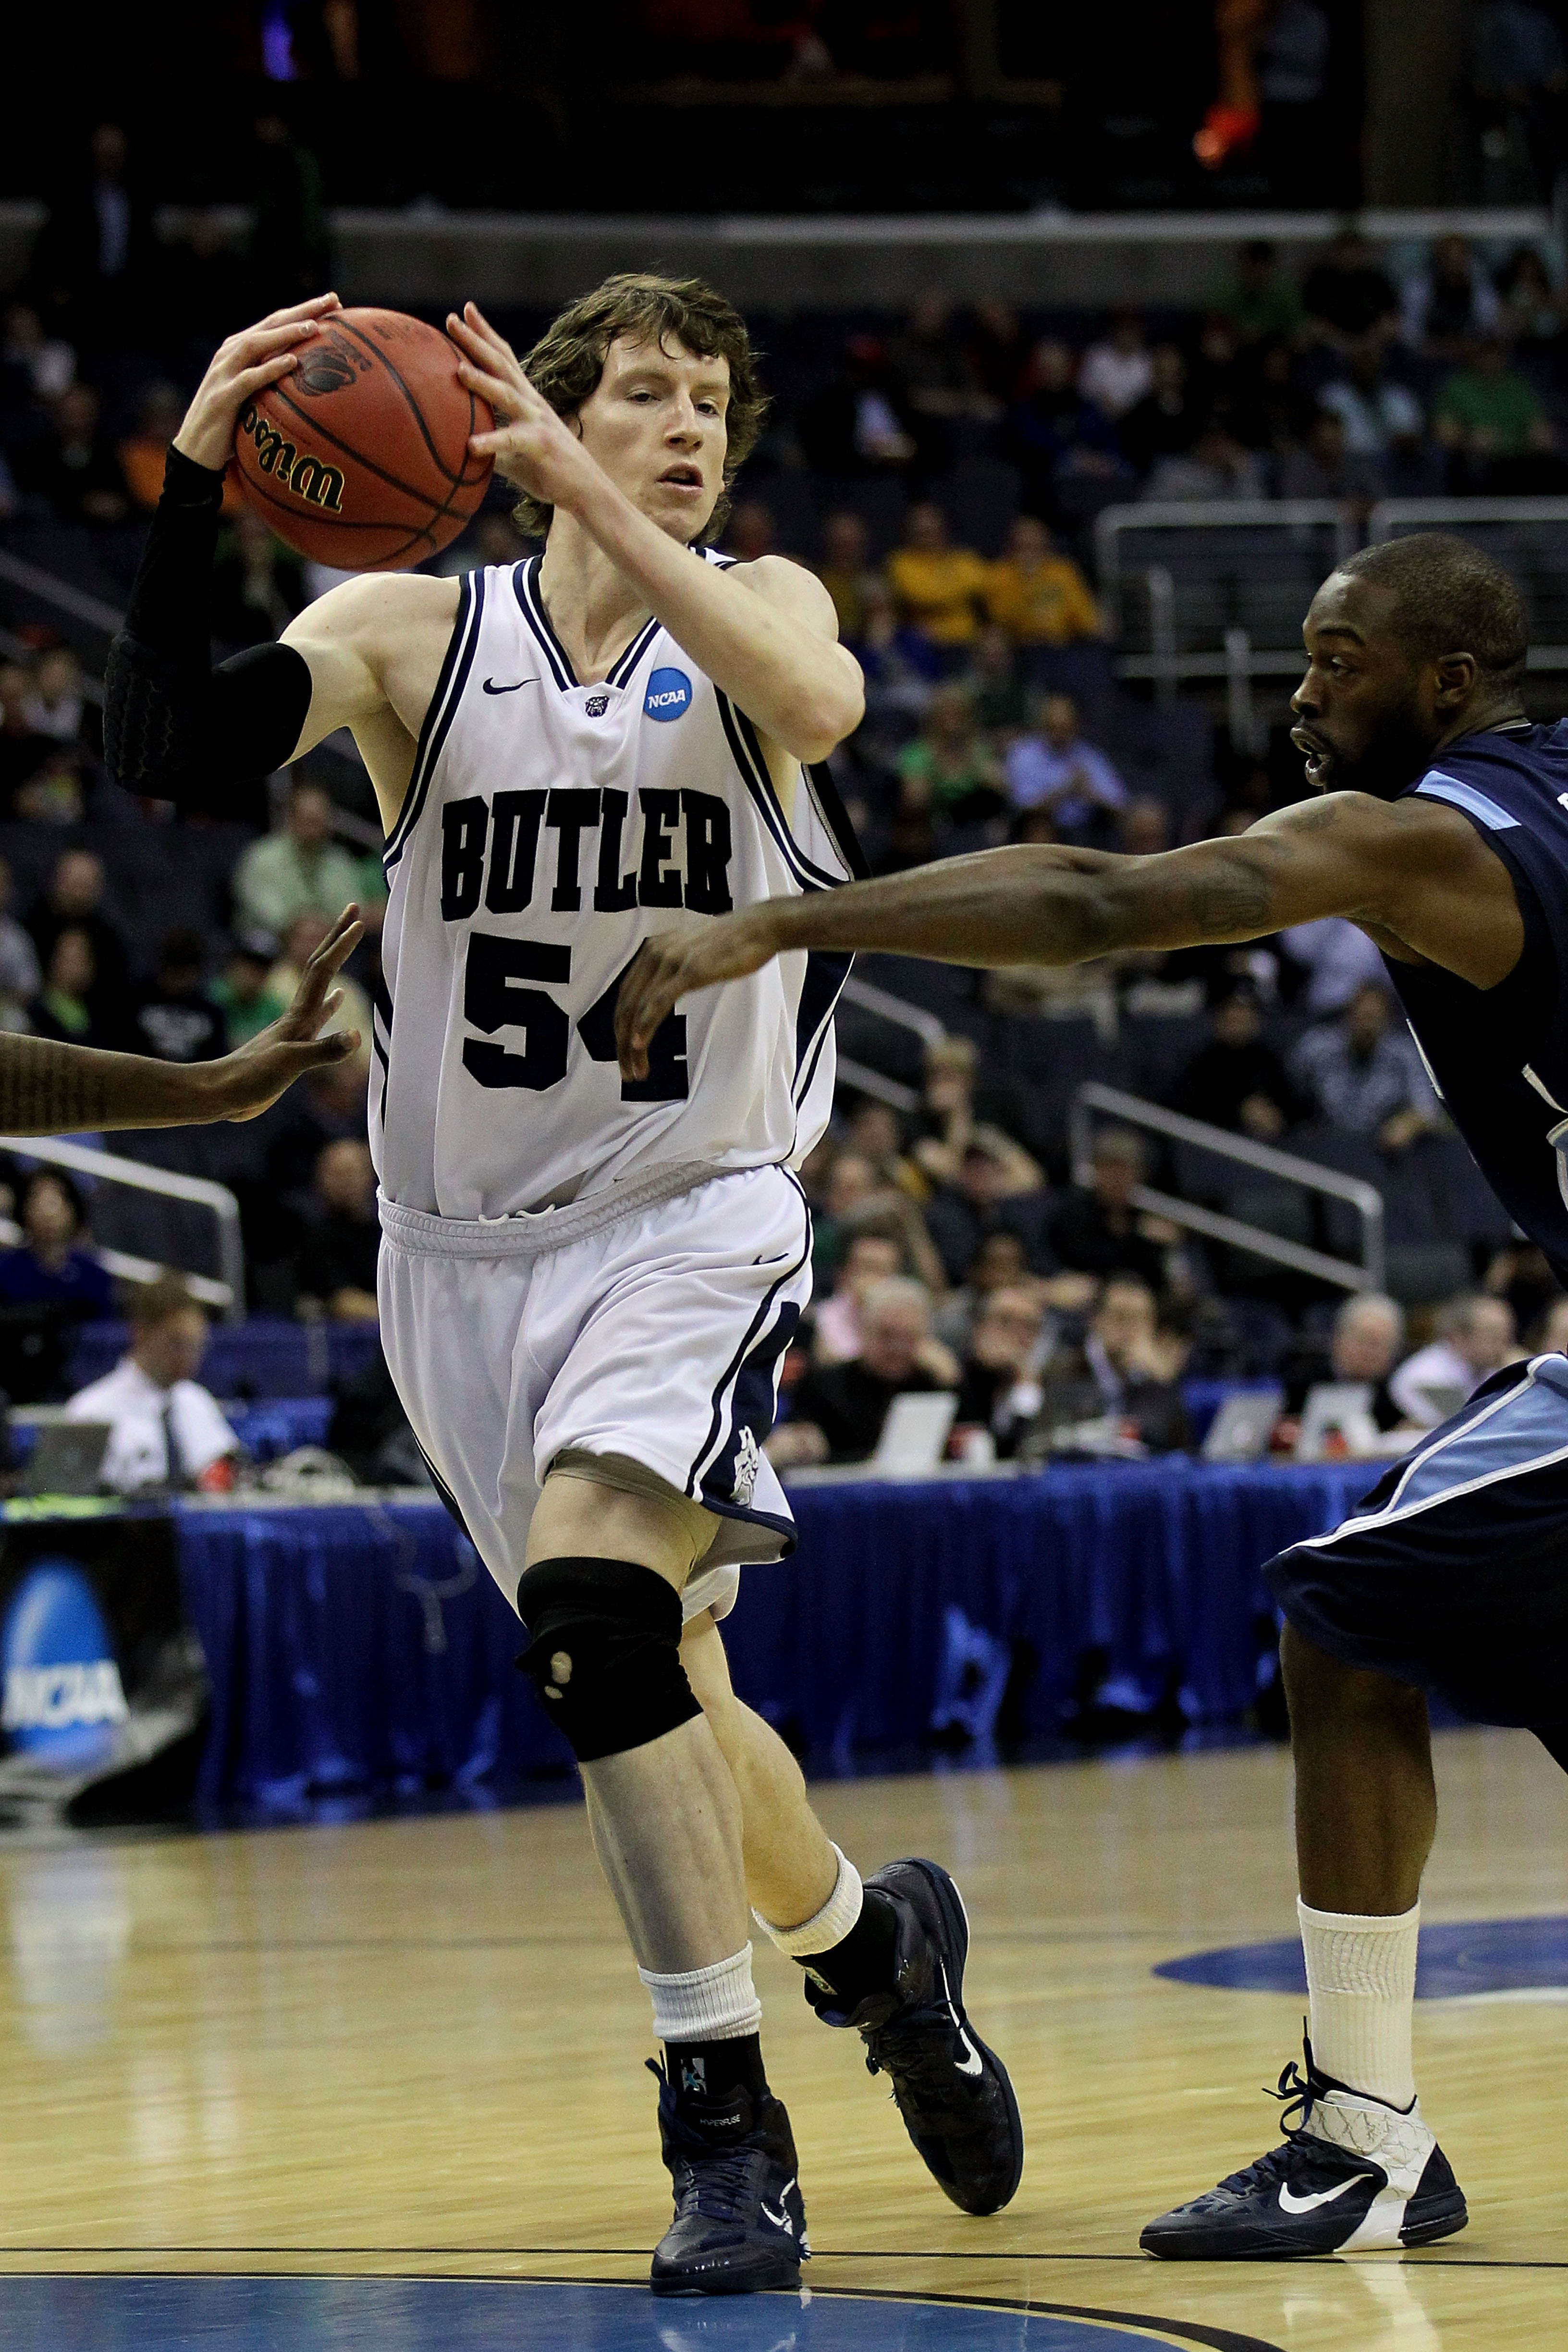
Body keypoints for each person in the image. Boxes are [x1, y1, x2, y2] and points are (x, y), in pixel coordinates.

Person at [105, 281, 1022, 2299]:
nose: (686, 426)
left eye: (711, 404)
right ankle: (879, 1946)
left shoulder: (760, 602)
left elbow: (822, 707)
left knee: (599, 1620)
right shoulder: (414, 637)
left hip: (691, 1208)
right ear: (536, 412)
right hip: (457, 1260)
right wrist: (194, 473)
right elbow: (164, 745)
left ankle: (724, 2120)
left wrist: (623, 525)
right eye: (643, 395)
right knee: (670, 1693)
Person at [618, 525, 1568, 2260]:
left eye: (1331, 660)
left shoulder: (1420, 841)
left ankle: (1360, 2145)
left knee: (1348, 1614)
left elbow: (1100, 900)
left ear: (1445, 685)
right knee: (1355, 1612)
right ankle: (1366, 2134)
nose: (1292, 692)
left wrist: (776, 915)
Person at [64, 1274, 238, 1494]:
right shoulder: (90, 1413)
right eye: (177, 1343)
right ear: (142, 1334)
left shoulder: (197, 1401)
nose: (189, 1358)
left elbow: (230, 1477)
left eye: (196, 1346)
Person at [767, 1277, 946, 1467]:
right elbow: (800, 1438)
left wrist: (951, 1378)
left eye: (908, 1337)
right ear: (865, 1331)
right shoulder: (825, 1385)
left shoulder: (933, 1384)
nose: (897, 1348)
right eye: (887, 1335)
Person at [1018, 1275, 1190, 1459]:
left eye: (1141, 1319)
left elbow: (1180, 1455)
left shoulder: (1155, 1380)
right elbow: (1041, 1446)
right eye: (1120, 1317)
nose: (1131, 1329)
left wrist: (1163, 1383)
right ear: (1097, 1319)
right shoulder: (1062, 1371)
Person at [1290, 980, 1440, 1150]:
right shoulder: (1318, 1046)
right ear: (1350, 1013)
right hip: (1318, 1142)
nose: (1367, 1027)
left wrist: (1406, 1124)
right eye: (1363, 1017)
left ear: (1387, 1020)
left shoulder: (1403, 1056)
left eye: (1374, 1019)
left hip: (1376, 1149)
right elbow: (1287, 1089)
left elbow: (1427, 1110)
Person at [1171, 984, 1303, 1140]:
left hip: (1271, 1148)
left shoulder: (1269, 1061)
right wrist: (1240, 1112)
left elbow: (1295, 1105)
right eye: (1233, 1019)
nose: (1239, 1026)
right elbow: (1188, 1108)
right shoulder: (1203, 1063)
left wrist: (1277, 1116)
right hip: (1218, 1146)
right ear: (1220, 1022)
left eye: (1246, 1018)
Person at [233, 781, 364, 938]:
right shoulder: (263, 856)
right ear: (291, 819)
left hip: (326, 938)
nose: (314, 828)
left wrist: (320, 927)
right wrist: (304, 927)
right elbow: (268, 914)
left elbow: (351, 910)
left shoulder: (339, 860)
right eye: (308, 820)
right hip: (270, 942)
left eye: (319, 820)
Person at [1046, 1128, 1168, 1293]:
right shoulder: (1073, 1213)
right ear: (1097, 1170)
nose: (1117, 1180)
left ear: (1138, 1176)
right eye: (1111, 1171)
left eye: (1125, 1172)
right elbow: (1086, 1263)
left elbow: (1156, 1278)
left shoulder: (1145, 1219)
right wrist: (1135, 1236)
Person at [1004, 694, 1126, 844]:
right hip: (1043, 828)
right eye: (1053, 728)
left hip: (1087, 831)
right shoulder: (1023, 754)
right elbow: (1025, 807)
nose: (1060, 734)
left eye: (1065, 728)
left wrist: (1090, 792)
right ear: (1042, 726)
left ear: (1076, 726)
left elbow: (1119, 804)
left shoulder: (1089, 755)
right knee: (1039, 830)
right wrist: (1065, 790)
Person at [1388, 1291, 1519, 1428]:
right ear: (1458, 1337)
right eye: (1493, 1333)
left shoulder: (1490, 1368)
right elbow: (1468, 1428)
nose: (1504, 1344)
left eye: (1507, 1334)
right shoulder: (1426, 1376)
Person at [982, 515, 1102, 651]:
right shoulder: (1000, 575)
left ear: (1045, 546)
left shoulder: (1063, 573)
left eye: (1035, 548)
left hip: (1061, 649)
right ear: (1012, 548)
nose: (1030, 555)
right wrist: (1026, 581)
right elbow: (1001, 620)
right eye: (1024, 548)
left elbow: (1086, 620)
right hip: (1018, 650)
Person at [884, 501, 990, 654]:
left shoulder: (965, 560)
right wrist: (958, 594)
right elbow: (919, 595)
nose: (928, 534)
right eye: (922, 532)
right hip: (924, 643)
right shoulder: (901, 562)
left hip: (967, 641)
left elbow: (985, 587)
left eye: (932, 530)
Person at [296, 1136, 380, 1321]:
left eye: (351, 1173)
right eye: (337, 1174)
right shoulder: (313, 1235)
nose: (345, 1182)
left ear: (370, 1175)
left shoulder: (384, 1231)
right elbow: (343, 1302)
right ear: (319, 1178)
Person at [129, 929, 226, 1065]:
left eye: (184, 974)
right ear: (163, 968)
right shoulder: (135, 1002)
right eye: (174, 972)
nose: (178, 982)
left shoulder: (210, 1014)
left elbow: (217, 1061)